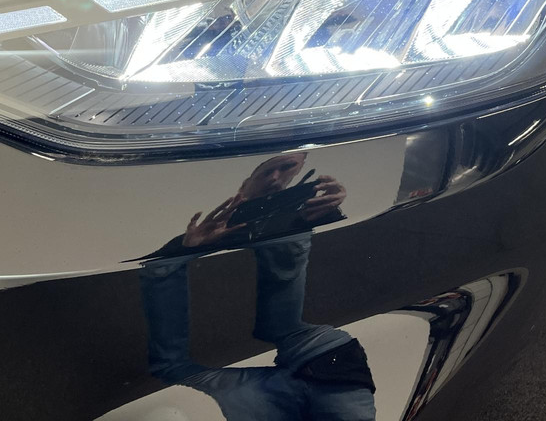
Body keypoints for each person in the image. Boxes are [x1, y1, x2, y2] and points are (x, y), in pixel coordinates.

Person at [138, 153, 376, 420]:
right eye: (266, 172)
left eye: (287, 167)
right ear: (244, 186)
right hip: (324, 357)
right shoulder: (244, 228)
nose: (275, 178)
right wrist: (185, 248)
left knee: (170, 368)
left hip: (319, 354)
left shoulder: (299, 219)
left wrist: (324, 215)